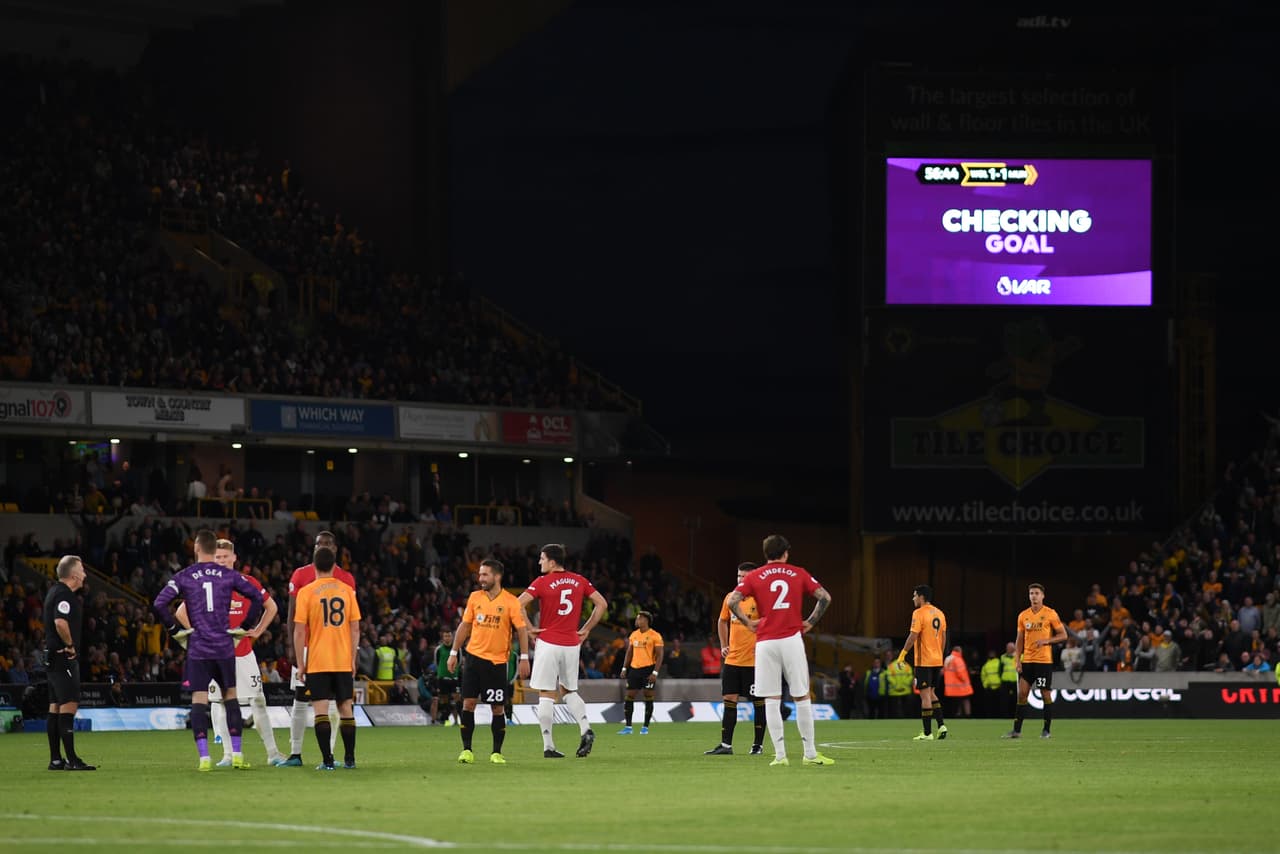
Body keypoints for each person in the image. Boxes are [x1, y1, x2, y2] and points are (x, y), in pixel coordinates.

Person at [153, 528, 265, 771]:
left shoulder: (185, 575)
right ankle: (236, 754)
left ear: (195, 548)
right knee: (231, 698)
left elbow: (159, 603)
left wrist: (176, 630)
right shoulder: (228, 576)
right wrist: (244, 627)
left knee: (199, 701)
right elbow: (257, 599)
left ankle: (204, 758)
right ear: (215, 550)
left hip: (199, 648)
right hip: (224, 647)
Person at [175, 538, 285, 766]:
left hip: (243, 654)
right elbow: (180, 611)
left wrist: (258, 630)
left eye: (226, 557)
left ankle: (273, 753)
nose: (222, 561)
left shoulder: (247, 582)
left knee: (258, 700)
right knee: (217, 702)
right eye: (218, 557)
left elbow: (271, 607)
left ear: (234, 558)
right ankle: (227, 755)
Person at [727, 534, 835, 767]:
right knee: (801, 696)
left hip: (765, 642)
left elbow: (732, 601)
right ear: (786, 553)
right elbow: (825, 597)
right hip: (791, 638)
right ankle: (810, 754)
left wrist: (747, 622)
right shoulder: (798, 572)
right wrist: (811, 621)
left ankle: (780, 756)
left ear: (765, 554)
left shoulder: (754, 576)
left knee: (771, 699)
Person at [516, 543, 609, 759]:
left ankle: (548, 746)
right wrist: (585, 629)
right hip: (571, 643)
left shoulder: (542, 581)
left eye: (541, 558)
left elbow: (517, 604)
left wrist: (530, 629)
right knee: (568, 691)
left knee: (546, 694)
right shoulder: (579, 580)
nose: (539, 562)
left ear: (552, 561)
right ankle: (585, 728)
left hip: (548, 641)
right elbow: (602, 604)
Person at [448, 558, 530, 764]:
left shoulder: (511, 601)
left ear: (497, 576)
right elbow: (464, 627)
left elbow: (521, 631)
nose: (480, 578)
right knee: (468, 703)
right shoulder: (475, 598)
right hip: (473, 659)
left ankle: (496, 752)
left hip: (497, 663)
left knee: (497, 708)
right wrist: (453, 652)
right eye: (480, 574)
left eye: (485, 574)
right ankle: (467, 750)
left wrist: (524, 658)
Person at [284, 531, 356, 766]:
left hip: (323, 650)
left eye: (326, 543)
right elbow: (292, 615)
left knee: (326, 706)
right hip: (312, 648)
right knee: (301, 700)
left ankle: (330, 755)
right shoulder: (301, 574)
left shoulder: (346, 578)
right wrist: (292, 649)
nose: (322, 547)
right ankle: (296, 752)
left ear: (335, 548)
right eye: (318, 543)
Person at [706, 561, 766, 755]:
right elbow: (722, 620)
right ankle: (726, 746)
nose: (740, 580)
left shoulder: (761, 599)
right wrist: (724, 645)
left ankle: (757, 745)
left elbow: (770, 621)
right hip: (732, 661)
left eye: (744, 577)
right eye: (739, 576)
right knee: (729, 700)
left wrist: (763, 645)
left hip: (754, 663)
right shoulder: (730, 598)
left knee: (758, 703)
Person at [42, 554, 95, 770]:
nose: (85, 574)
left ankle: (56, 759)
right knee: (69, 705)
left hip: (52, 657)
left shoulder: (53, 592)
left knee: (55, 707)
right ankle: (72, 760)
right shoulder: (65, 595)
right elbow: (60, 623)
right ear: (73, 574)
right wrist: (71, 645)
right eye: (82, 570)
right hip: (64, 657)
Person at [1003, 582, 1068, 739]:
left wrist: (1047, 641)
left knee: (1045, 694)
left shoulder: (1050, 613)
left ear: (1043, 596)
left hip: (1043, 661)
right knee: (1022, 694)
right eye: (1031, 593)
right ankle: (1016, 731)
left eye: (1037, 593)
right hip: (1028, 661)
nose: (1034, 596)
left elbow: (1063, 635)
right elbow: (1019, 640)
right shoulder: (1023, 615)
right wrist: (1017, 660)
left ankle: (1046, 730)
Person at [897, 584, 948, 740]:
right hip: (937, 660)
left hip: (924, 661)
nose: (913, 598)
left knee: (925, 696)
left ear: (921, 596)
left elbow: (913, 636)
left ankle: (927, 733)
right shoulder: (940, 613)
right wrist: (939, 655)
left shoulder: (918, 613)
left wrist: (902, 655)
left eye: (914, 595)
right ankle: (941, 726)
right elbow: (943, 638)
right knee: (932, 693)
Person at [617, 610, 664, 735]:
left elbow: (660, 656)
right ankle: (628, 727)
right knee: (629, 696)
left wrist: (655, 673)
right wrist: (624, 668)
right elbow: (629, 652)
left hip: (648, 669)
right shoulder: (633, 635)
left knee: (648, 696)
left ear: (646, 620)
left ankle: (645, 727)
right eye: (637, 618)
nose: (637, 620)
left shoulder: (655, 636)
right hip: (634, 669)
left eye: (639, 618)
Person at [432, 629, 462, 726]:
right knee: (444, 700)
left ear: (452, 637)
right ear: (443, 637)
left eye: (449, 636)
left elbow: (460, 661)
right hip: (442, 678)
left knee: (456, 700)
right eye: (445, 636)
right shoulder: (438, 649)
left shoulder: (457, 649)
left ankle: (457, 720)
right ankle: (445, 719)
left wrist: (454, 671)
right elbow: (436, 662)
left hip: (454, 678)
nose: (447, 638)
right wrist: (442, 672)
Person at [943, 645, 973, 718]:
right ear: (959, 651)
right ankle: (968, 715)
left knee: (956, 702)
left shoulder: (948, 659)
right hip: (961, 685)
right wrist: (967, 681)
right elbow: (961, 673)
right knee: (965, 700)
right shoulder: (958, 659)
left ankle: (957, 715)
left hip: (950, 686)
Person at [885, 652, 913, 718]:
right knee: (906, 708)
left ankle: (894, 719)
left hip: (894, 691)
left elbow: (889, 677)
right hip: (905, 690)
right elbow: (910, 676)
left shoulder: (891, 666)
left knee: (894, 709)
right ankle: (906, 719)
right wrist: (905, 684)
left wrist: (895, 686)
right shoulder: (907, 665)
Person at [979, 649, 1002, 717]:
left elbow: (983, 676)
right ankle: (993, 716)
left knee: (994, 704)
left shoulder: (997, 663)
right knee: (992, 705)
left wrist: (985, 685)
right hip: (991, 687)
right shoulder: (988, 664)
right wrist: (986, 685)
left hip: (997, 687)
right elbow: (983, 676)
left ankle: (994, 716)